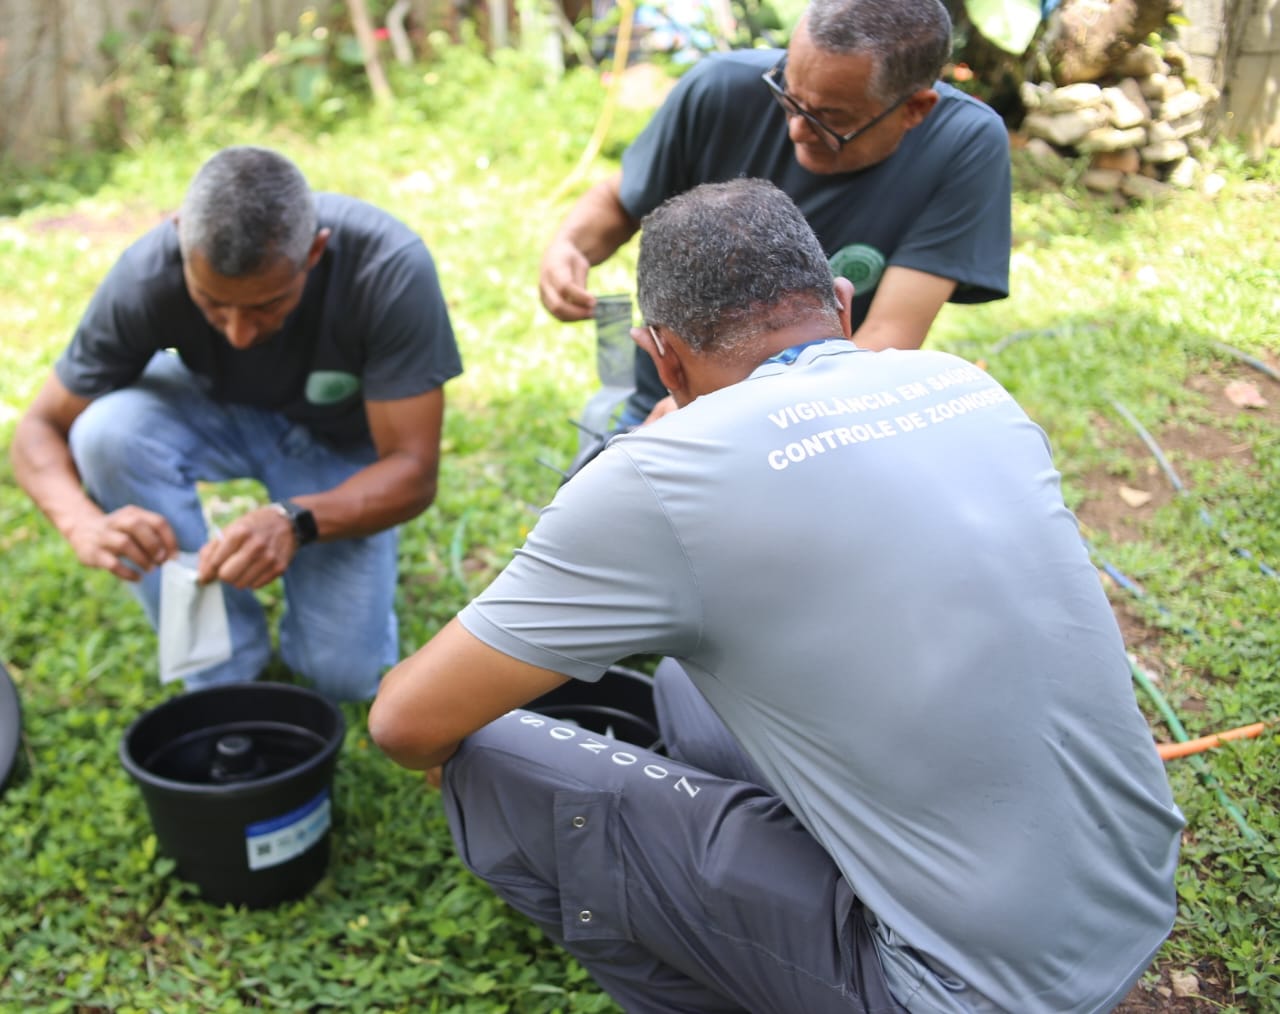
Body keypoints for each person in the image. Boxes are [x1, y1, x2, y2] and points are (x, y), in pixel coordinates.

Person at [370, 179, 1183, 1012]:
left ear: (663, 358)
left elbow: (405, 723)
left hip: (950, 990)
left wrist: (639, 469)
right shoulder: (963, 385)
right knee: (684, 684)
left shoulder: (655, 475)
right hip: (1134, 903)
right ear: (841, 303)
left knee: (485, 759)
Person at [10, 146, 461, 702]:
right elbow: (38, 428)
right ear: (181, 237)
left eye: (267, 306)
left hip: (340, 448)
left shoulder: (387, 269)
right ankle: (221, 653)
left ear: (314, 252)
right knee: (105, 433)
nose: (239, 334)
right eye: (211, 304)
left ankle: (337, 571)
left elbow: (413, 472)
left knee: (342, 676)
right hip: (217, 408)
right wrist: (81, 523)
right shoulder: (147, 273)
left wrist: (296, 521)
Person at [541, 0, 1011, 432]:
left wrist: (724, 417)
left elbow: (887, 334)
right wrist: (570, 247)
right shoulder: (719, 87)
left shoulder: (963, 145)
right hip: (661, 406)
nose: (796, 130)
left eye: (830, 117)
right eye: (787, 97)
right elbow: (622, 199)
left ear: (914, 110)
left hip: (822, 415)